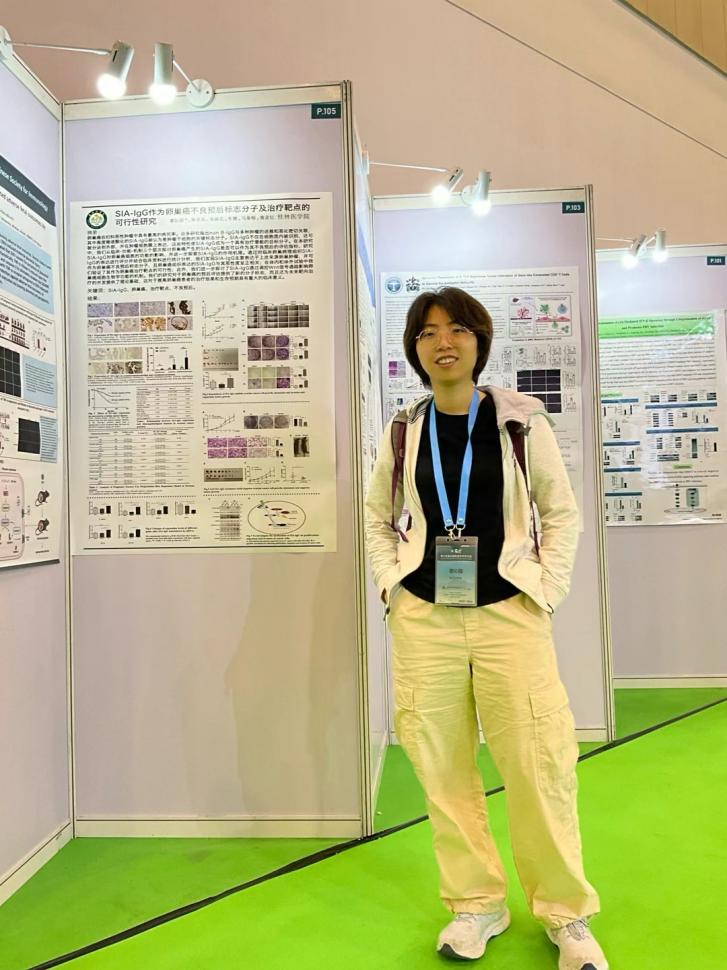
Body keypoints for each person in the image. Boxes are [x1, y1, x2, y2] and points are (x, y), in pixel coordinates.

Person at [364, 288, 608, 969]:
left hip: (509, 615)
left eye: (457, 329)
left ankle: (565, 913)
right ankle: (475, 904)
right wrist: (390, 583)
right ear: (414, 349)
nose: (443, 342)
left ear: (479, 340)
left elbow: (560, 513)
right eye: (428, 332)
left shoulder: (519, 422)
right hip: (425, 619)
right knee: (441, 769)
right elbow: (376, 515)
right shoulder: (403, 429)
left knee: (538, 764)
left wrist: (545, 591)